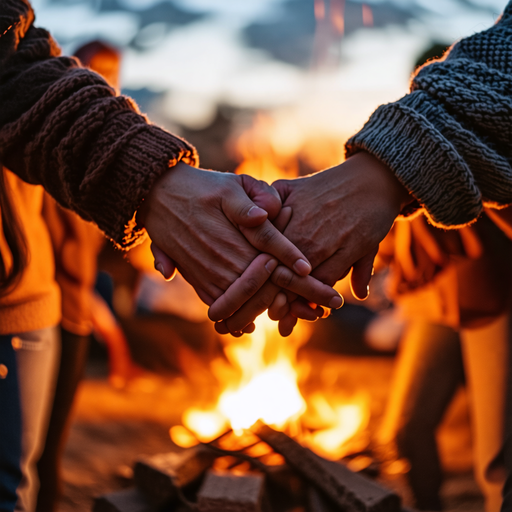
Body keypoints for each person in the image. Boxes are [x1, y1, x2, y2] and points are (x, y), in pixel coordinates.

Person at [0, 1, 340, 510]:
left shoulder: (52, 122)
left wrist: (152, 193)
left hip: (26, 304)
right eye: (92, 67)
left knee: (15, 480)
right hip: (48, 295)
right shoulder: (47, 146)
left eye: (112, 73)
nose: (104, 78)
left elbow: (12, 70)